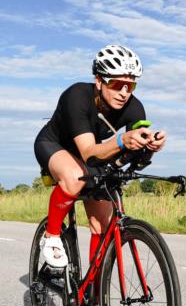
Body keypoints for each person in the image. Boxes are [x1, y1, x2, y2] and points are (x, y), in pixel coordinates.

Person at [34, 45, 166, 272]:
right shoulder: (76, 96)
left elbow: (133, 159)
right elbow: (88, 152)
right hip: (55, 145)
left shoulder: (134, 107)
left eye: (130, 85)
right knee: (75, 176)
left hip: (93, 153)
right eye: (116, 84)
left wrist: (149, 147)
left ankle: (94, 291)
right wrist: (122, 140)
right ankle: (52, 235)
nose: (124, 92)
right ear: (99, 81)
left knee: (102, 226)